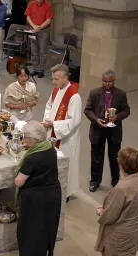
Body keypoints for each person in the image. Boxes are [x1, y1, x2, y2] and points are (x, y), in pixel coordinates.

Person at [14, 120, 61, 256]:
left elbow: (19, 181)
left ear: (34, 139)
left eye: (25, 137)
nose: (23, 140)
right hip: (52, 195)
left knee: (30, 232)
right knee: (44, 230)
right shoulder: (50, 148)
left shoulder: (32, 157)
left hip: (35, 201)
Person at [95, 147, 138, 256]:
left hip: (119, 238)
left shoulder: (122, 188)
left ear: (122, 166)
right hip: (133, 233)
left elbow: (110, 216)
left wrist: (101, 212)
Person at [84, 69, 131, 192]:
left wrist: (116, 117)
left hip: (114, 130)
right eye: (104, 81)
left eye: (109, 81)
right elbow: (87, 110)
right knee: (96, 158)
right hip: (98, 129)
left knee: (115, 158)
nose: (107, 84)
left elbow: (126, 110)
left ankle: (116, 181)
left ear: (113, 81)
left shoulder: (121, 94)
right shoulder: (94, 93)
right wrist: (96, 120)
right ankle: (95, 181)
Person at [42, 64, 82, 198]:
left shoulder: (74, 96)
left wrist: (55, 124)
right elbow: (49, 106)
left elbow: (74, 121)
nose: (53, 82)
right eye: (53, 78)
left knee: (65, 165)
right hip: (53, 131)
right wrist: (48, 119)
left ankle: (65, 193)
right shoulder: (56, 90)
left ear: (65, 78)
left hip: (66, 138)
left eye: (56, 79)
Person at [24, 0, 52, 78]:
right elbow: (28, 17)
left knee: (42, 51)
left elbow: (48, 20)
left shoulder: (48, 5)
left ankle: (41, 70)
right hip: (33, 29)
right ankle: (36, 69)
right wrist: (34, 26)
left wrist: (39, 27)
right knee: (34, 50)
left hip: (43, 30)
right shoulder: (31, 4)